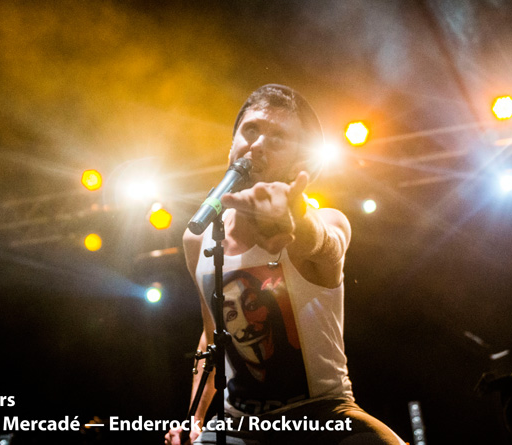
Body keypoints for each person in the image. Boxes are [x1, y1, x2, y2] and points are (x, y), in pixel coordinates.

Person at [165, 84, 403, 444]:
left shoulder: (328, 220)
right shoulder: (197, 239)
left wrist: (295, 221)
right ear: (232, 145)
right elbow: (211, 336)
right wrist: (194, 420)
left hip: (324, 413)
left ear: (299, 164)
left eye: (278, 138)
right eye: (250, 130)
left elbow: (324, 244)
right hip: (240, 424)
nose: (257, 144)